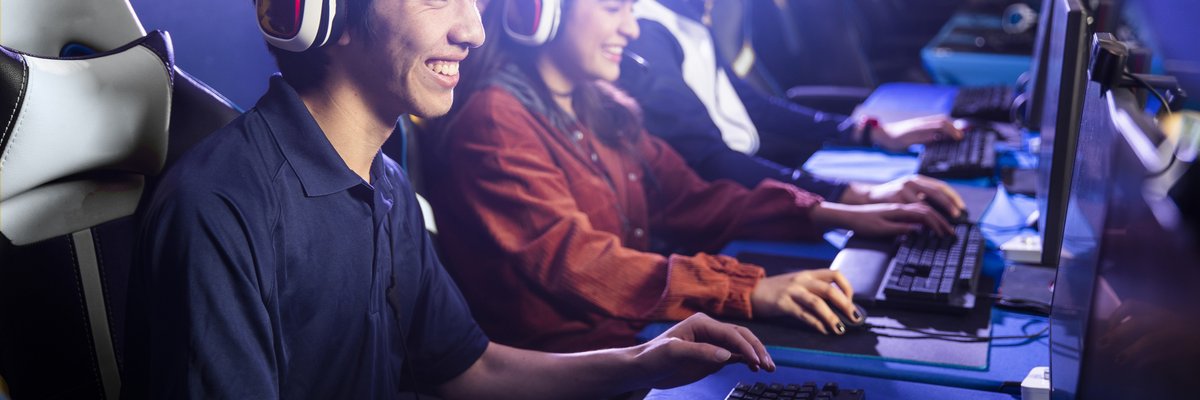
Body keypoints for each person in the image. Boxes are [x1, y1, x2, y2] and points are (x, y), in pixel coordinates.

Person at [121, 0, 779, 398]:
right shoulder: (219, 208)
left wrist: (645, 362)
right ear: (329, 12)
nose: (475, 31)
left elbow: (471, 370)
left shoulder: (387, 186)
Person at [424, 0, 954, 353]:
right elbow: (584, 264)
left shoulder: (598, 103)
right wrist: (748, 290)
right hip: (581, 364)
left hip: (638, 334)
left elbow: (693, 198)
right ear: (539, 11)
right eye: (613, 7)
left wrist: (833, 213)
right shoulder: (494, 123)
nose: (631, 27)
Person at [617, 0, 967, 214]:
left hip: (747, 174)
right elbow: (709, 160)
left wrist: (869, 133)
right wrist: (848, 194)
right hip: (724, 202)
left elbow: (752, 104)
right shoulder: (646, 32)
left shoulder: (688, 15)